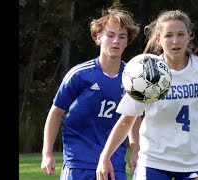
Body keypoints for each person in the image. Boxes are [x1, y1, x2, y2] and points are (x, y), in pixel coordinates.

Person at [96, 9, 198, 180]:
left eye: (180, 34)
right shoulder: (146, 72)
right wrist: (105, 157)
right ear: (158, 39)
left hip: (195, 161)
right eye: (168, 35)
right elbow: (127, 120)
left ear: (189, 37)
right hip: (154, 161)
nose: (175, 41)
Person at [40, 6, 141, 180]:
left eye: (122, 36)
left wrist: (135, 149)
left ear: (127, 42)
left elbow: (133, 117)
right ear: (98, 37)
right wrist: (47, 153)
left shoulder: (133, 77)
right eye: (110, 35)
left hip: (114, 162)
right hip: (79, 161)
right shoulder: (79, 74)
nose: (116, 41)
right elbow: (56, 113)